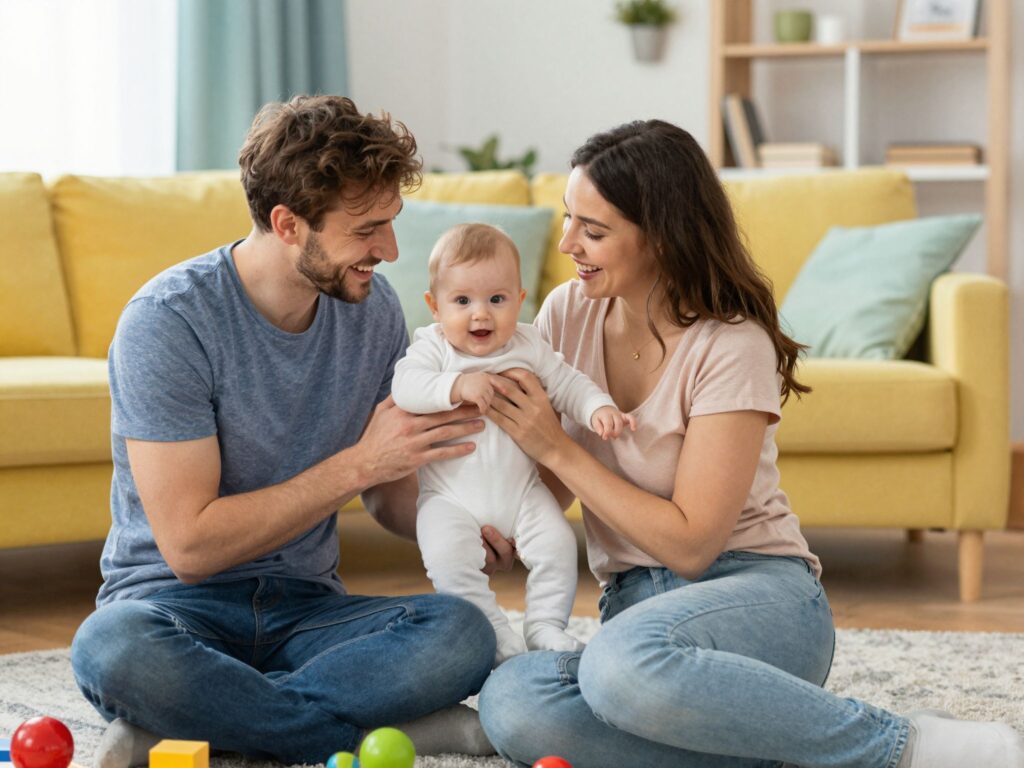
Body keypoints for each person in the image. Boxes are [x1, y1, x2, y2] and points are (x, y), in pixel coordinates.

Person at [475, 120, 1024, 768]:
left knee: (620, 669)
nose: (568, 243)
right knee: (512, 701)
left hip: (756, 592)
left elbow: (690, 543)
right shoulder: (570, 312)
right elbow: (561, 480)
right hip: (635, 603)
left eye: (593, 231)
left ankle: (901, 747)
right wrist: (497, 519)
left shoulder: (730, 343)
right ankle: (776, 739)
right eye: (569, 220)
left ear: (660, 236)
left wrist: (555, 448)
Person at [69, 95, 506, 768]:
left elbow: (388, 498)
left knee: (460, 633)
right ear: (289, 224)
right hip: (174, 610)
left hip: (307, 612)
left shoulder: (372, 311)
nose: (388, 251)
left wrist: (454, 518)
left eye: (392, 224)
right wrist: (356, 466)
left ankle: (201, 730)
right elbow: (189, 546)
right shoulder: (169, 322)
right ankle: (362, 727)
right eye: (367, 230)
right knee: (112, 649)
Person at [391, 223, 634, 666]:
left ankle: (544, 625)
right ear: (435, 306)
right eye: (462, 301)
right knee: (447, 559)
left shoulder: (528, 344)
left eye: (497, 300)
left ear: (520, 301)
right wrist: (457, 386)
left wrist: (597, 407)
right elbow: (405, 387)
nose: (480, 315)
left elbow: (567, 383)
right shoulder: (434, 349)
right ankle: (494, 630)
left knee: (559, 545)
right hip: (449, 499)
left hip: (523, 493)